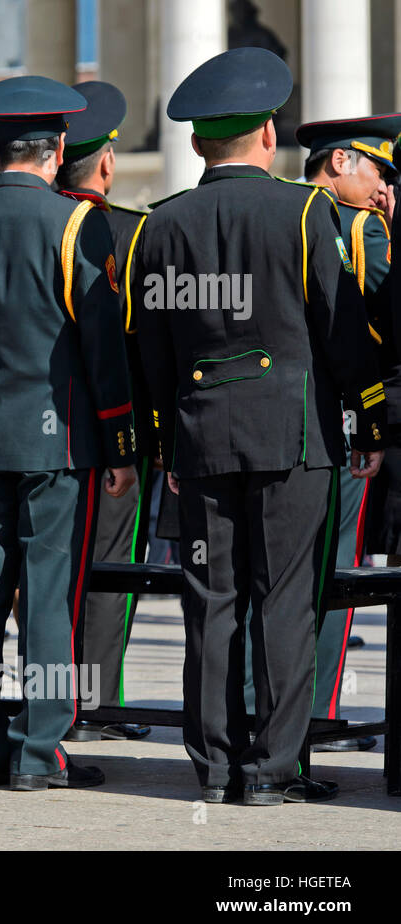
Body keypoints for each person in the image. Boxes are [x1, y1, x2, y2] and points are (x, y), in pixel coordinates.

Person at [134, 48, 385, 805]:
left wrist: (162, 447)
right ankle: (274, 770)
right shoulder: (307, 212)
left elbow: (150, 350)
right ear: (268, 136)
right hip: (294, 438)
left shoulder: (162, 225)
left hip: (202, 440)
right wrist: (367, 421)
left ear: (197, 143)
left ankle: (213, 770)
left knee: (210, 604)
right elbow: (340, 331)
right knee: (285, 600)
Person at [0, 76, 138, 792]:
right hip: (59, 440)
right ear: (60, 150)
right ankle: (41, 751)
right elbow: (103, 349)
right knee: (47, 594)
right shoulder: (79, 224)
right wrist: (119, 442)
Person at [287, 114, 399, 751]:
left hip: (278, 419)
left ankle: (262, 710)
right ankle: (322, 712)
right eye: (375, 168)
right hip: (346, 421)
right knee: (335, 567)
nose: (382, 184)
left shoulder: (283, 213)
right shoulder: (361, 229)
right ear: (339, 165)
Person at [54, 81, 155, 742]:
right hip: (106, 433)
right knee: (106, 571)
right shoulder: (129, 231)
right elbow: (140, 348)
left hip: (30, 433)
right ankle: (95, 702)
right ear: (107, 163)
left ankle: (54, 702)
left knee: (47, 570)